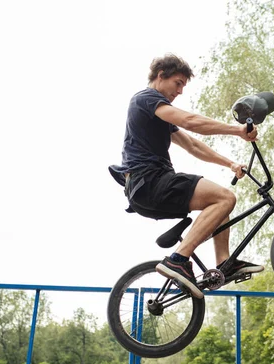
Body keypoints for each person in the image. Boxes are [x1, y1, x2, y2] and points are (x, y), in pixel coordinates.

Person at [109, 54, 263, 299]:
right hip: (148, 182)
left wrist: (230, 163)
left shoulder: (157, 114)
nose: (180, 91)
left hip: (147, 188)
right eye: (178, 83)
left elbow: (192, 145)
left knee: (220, 203)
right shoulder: (146, 99)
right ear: (161, 75)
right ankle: (179, 259)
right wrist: (237, 130)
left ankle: (224, 262)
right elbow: (190, 121)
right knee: (224, 198)